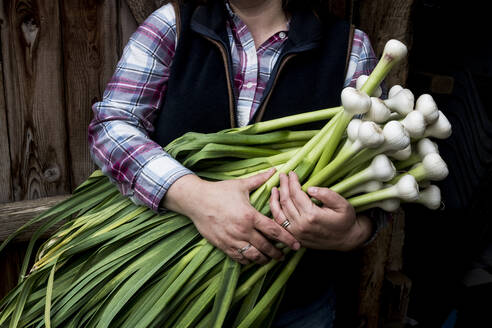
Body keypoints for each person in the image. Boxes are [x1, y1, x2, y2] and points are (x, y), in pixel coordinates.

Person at [88, 0, 387, 326]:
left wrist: (355, 231)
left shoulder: (349, 48)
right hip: (171, 297)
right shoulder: (172, 26)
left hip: (295, 303)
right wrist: (195, 197)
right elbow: (113, 125)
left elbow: (377, 165)